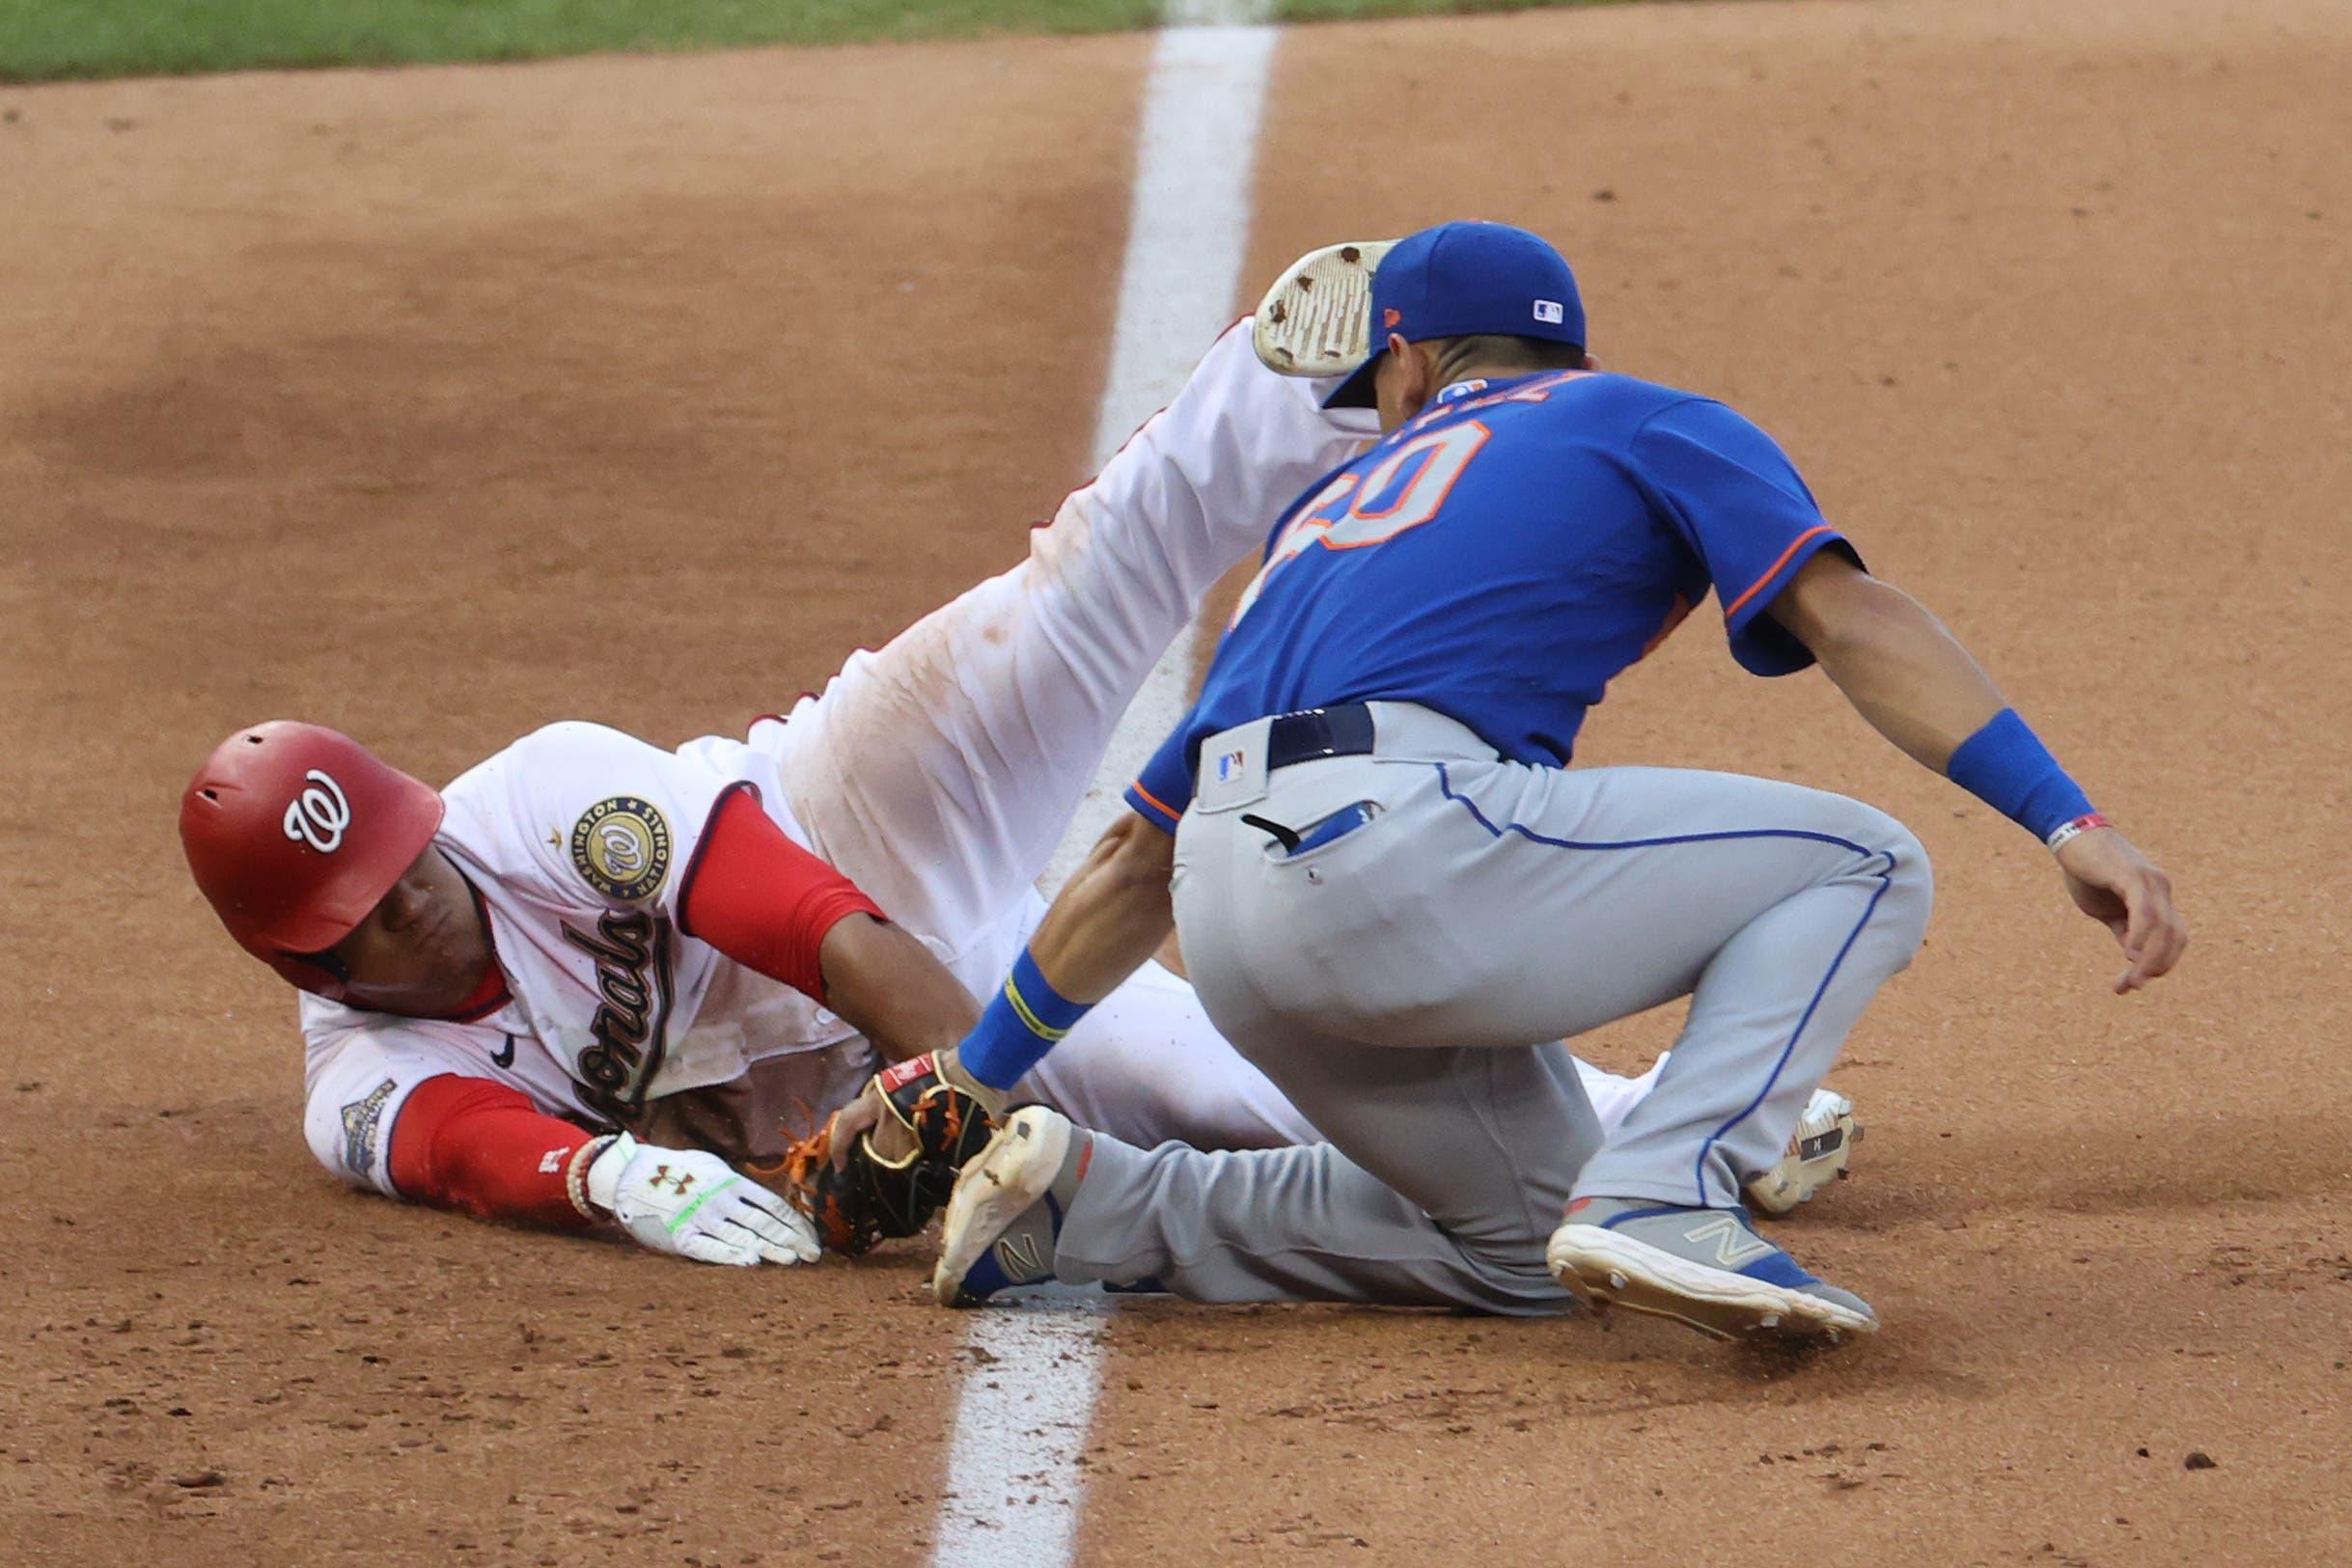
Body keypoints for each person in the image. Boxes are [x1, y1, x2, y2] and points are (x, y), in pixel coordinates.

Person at [180, 313, 1837, 1269]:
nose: (416, 896)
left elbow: (814, 921)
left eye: (406, 857)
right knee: (1231, 1086)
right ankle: (1679, 1130)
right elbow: (467, 1146)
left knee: (1074, 602)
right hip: (833, 1067)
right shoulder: (358, 1084)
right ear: (302, 964)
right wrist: (603, 1175)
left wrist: (964, 1090)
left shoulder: (541, 797)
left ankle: (1308, 365)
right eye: (375, 915)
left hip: (855, 821)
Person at [924, 221, 2188, 1342]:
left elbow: (1131, 862)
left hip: (1228, 915)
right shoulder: (1638, 417)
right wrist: (2064, 819)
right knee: (1860, 862)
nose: (1377, 405)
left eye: (1378, 380)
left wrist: (969, 1078)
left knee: (1530, 1249)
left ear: (1411, 358)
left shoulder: (1318, 527)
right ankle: (1669, 1186)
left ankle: (1092, 1208)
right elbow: (1847, 619)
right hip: (1397, 852)